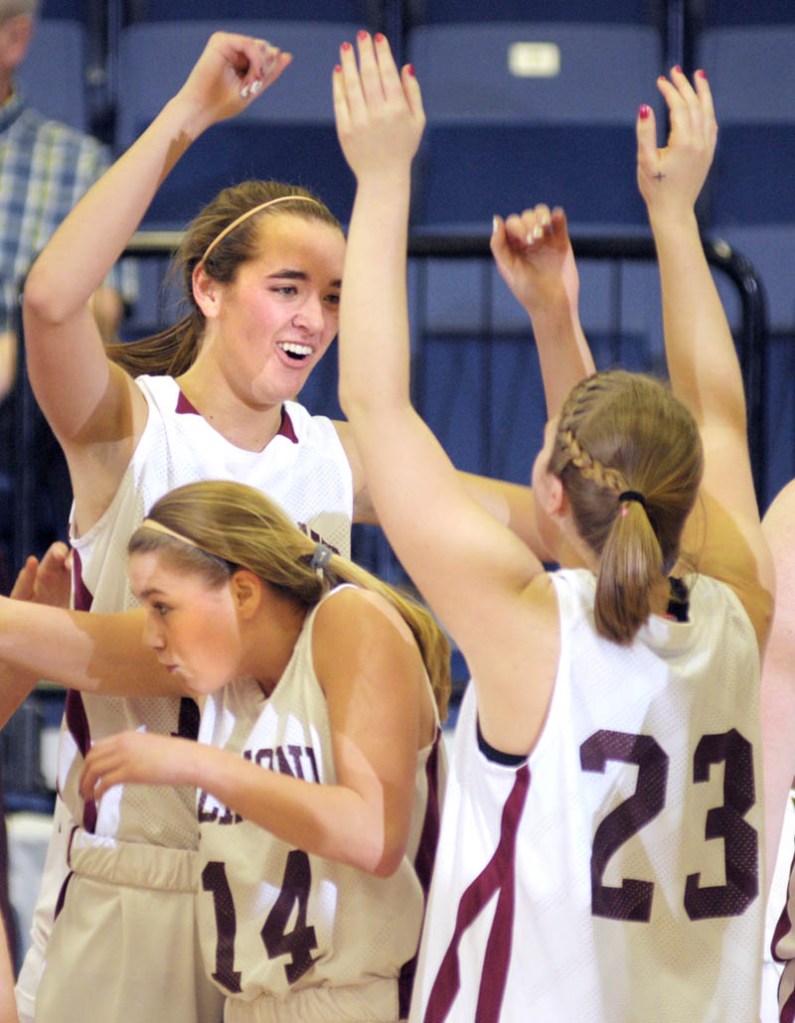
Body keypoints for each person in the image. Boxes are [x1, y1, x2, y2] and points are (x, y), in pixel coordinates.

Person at [14, 28, 593, 1023]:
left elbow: (564, 520)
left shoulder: (340, 456)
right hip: (133, 880)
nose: (316, 319)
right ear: (208, 285)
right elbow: (49, 299)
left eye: (333, 296)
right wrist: (188, 117)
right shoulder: (131, 427)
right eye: (288, 289)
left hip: (280, 899)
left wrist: (554, 319)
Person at [333, 34, 773, 1022]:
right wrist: (671, 217)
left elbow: (376, 404)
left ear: (548, 489)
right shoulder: (739, 613)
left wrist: (382, 175)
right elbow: (717, 413)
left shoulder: (530, 631)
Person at [0, 478, 451, 1021]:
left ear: (242, 592)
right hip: (248, 1005)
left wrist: (199, 764)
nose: (150, 634)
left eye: (162, 607)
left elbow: (373, 835)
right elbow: (82, 649)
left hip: (364, 1001)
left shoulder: (350, 622)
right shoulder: (228, 677)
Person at [0, 0, 136, 586]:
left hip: (32, 406)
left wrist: (21, 332)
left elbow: (109, 303)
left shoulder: (75, 163)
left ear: (16, 38)